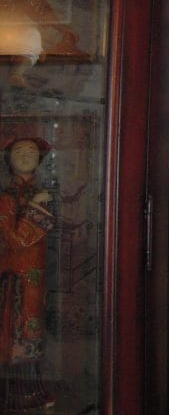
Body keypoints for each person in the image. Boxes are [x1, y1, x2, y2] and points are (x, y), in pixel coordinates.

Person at [0, 136, 56, 410]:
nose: (25, 155)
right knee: (17, 329)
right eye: (19, 151)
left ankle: (32, 388)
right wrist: (35, 206)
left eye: (31, 151)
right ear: (9, 159)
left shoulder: (42, 190)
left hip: (37, 276)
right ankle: (16, 391)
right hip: (15, 276)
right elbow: (14, 238)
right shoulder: (6, 196)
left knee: (33, 327)